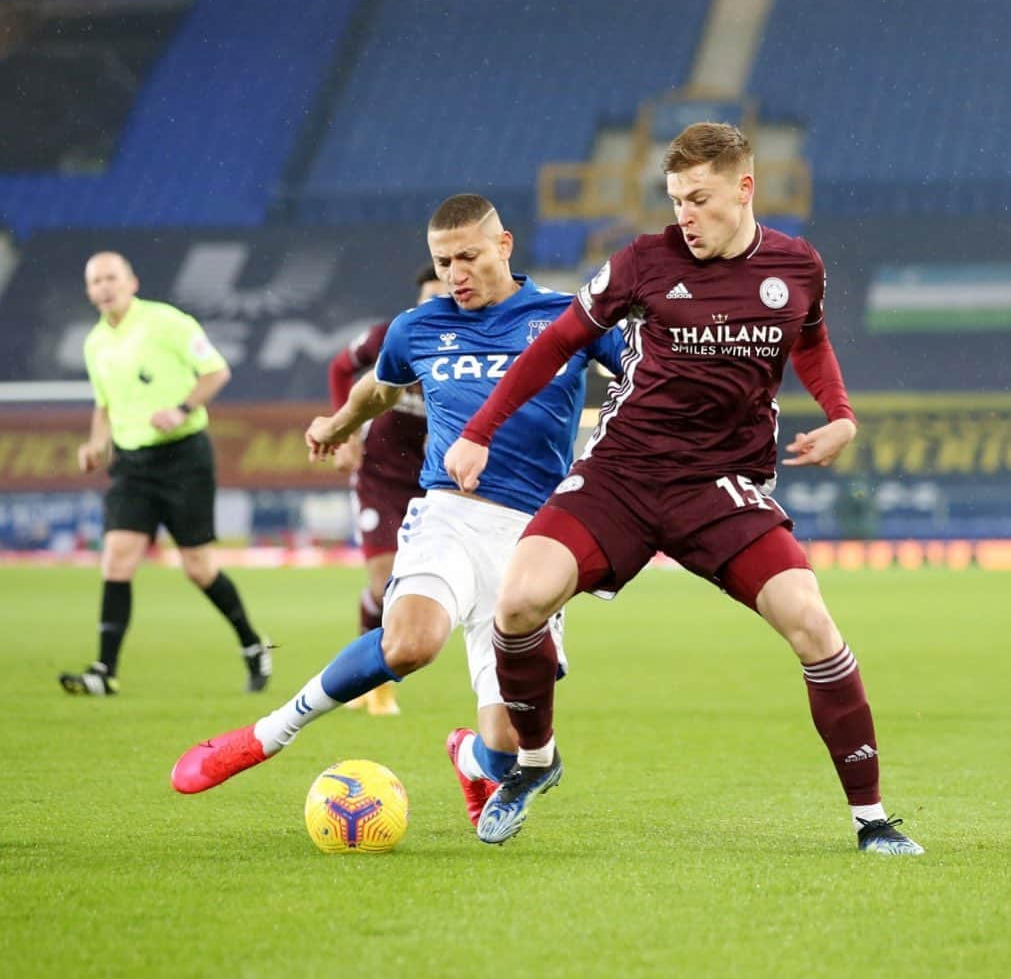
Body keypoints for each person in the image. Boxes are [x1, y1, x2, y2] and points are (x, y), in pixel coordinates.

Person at [444, 123, 924, 856]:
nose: (684, 217)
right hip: (622, 475)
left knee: (812, 624)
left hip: (720, 485)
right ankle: (534, 764)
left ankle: (872, 819)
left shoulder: (798, 267)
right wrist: (478, 429)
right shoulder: (643, 261)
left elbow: (811, 341)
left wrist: (840, 416)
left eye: (698, 199)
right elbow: (556, 342)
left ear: (745, 188)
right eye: (674, 200)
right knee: (516, 600)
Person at [170, 194, 627, 827]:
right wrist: (338, 423)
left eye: (468, 256)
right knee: (410, 644)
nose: (454, 274)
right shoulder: (419, 326)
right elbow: (379, 387)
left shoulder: (568, 319)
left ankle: (468, 758)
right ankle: (267, 734)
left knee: (507, 755)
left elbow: (646, 377)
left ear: (505, 245)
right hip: (447, 514)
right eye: (443, 261)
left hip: (538, 538)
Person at [59, 252, 272, 696]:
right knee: (117, 558)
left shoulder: (167, 322)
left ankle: (253, 645)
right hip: (132, 465)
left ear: (132, 281)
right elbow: (104, 407)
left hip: (183, 458)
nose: (104, 287)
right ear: (88, 291)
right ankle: (104, 670)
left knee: (198, 568)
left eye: (111, 277)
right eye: (95, 281)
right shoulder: (94, 343)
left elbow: (216, 371)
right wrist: (97, 444)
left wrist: (181, 409)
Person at [326, 265, 448, 716]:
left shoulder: (468, 347)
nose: (436, 307)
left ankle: (368, 667)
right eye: (428, 299)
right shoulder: (394, 336)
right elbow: (341, 367)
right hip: (380, 476)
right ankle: (375, 684)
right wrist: (347, 433)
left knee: (410, 587)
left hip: (436, 481)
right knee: (384, 584)